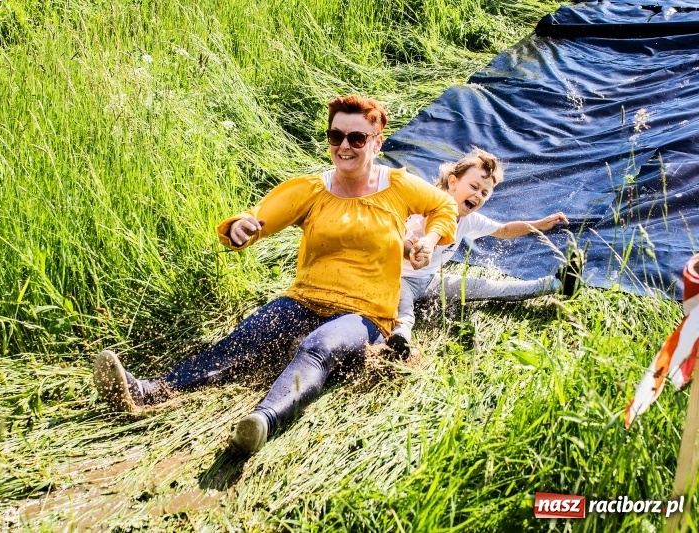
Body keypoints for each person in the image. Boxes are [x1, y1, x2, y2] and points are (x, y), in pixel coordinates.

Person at [93, 95, 458, 455]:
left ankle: (262, 422)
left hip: (366, 314)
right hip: (306, 299)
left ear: (376, 142)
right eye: (336, 136)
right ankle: (146, 392)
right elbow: (256, 218)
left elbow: (445, 205)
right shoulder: (311, 190)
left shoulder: (398, 187)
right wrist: (240, 228)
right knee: (246, 336)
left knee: (318, 348)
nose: (344, 146)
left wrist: (428, 237)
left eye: (357, 138)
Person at [385, 147, 583, 358]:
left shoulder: (469, 219)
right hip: (401, 279)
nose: (477, 195)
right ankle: (400, 340)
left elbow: (503, 230)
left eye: (484, 193)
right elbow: (394, 237)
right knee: (405, 310)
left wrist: (538, 224)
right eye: (473, 186)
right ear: (453, 182)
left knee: (489, 287)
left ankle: (557, 284)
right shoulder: (427, 207)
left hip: (430, 280)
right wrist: (411, 247)